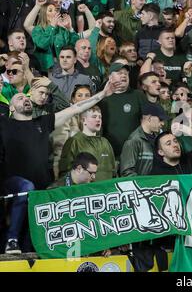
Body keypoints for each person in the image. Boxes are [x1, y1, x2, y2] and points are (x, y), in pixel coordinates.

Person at [0, 77, 118, 254]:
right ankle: (11, 239)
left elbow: (76, 108)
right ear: (10, 107)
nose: (25, 99)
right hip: (12, 186)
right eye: (19, 98)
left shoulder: (43, 122)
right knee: (26, 188)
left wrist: (103, 94)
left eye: (26, 97)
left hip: (40, 190)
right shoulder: (4, 124)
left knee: (31, 246)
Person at [98, 62, 149, 156]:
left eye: (126, 74)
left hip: (135, 151)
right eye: (119, 73)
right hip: (110, 152)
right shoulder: (102, 98)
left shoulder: (138, 95)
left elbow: (147, 121)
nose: (123, 76)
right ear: (110, 77)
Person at [59, 105, 116, 181]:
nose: (98, 120)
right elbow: (66, 172)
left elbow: (113, 170)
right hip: (85, 191)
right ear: (83, 120)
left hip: (107, 190)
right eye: (94, 117)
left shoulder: (105, 142)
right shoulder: (74, 141)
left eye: (100, 117)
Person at [120, 103, 168, 176]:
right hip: (144, 186)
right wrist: (143, 185)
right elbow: (127, 172)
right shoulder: (133, 141)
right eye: (160, 119)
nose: (163, 123)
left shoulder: (159, 139)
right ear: (149, 118)